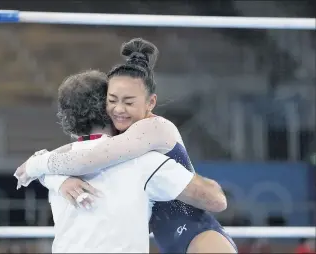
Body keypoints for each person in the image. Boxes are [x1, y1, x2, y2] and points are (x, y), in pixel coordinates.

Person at [15, 38, 236, 253]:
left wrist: (39, 166)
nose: (119, 109)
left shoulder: (152, 129)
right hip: (167, 238)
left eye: (129, 102)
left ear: (150, 103)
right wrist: (54, 176)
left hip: (198, 234)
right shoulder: (123, 139)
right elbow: (76, 151)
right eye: (112, 100)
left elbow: (87, 159)